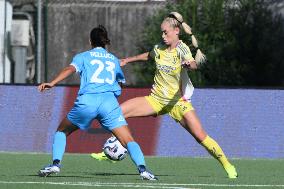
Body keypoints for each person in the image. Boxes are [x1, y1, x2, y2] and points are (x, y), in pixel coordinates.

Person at [91, 12, 238, 179]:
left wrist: (188, 64)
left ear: (176, 31)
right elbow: (148, 55)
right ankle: (113, 149)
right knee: (116, 113)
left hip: (177, 102)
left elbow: (194, 64)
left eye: (165, 32)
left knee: (200, 136)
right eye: (161, 32)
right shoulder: (159, 47)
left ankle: (228, 165)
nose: (162, 35)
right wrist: (127, 60)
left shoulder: (182, 49)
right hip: (156, 100)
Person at [37, 25, 157, 180]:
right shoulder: (113, 59)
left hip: (88, 102)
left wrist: (52, 82)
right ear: (105, 42)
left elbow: (69, 69)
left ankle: (55, 164)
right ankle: (143, 170)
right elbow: (120, 83)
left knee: (62, 131)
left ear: (90, 41)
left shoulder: (83, 56)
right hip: (109, 103)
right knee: (128, 140)